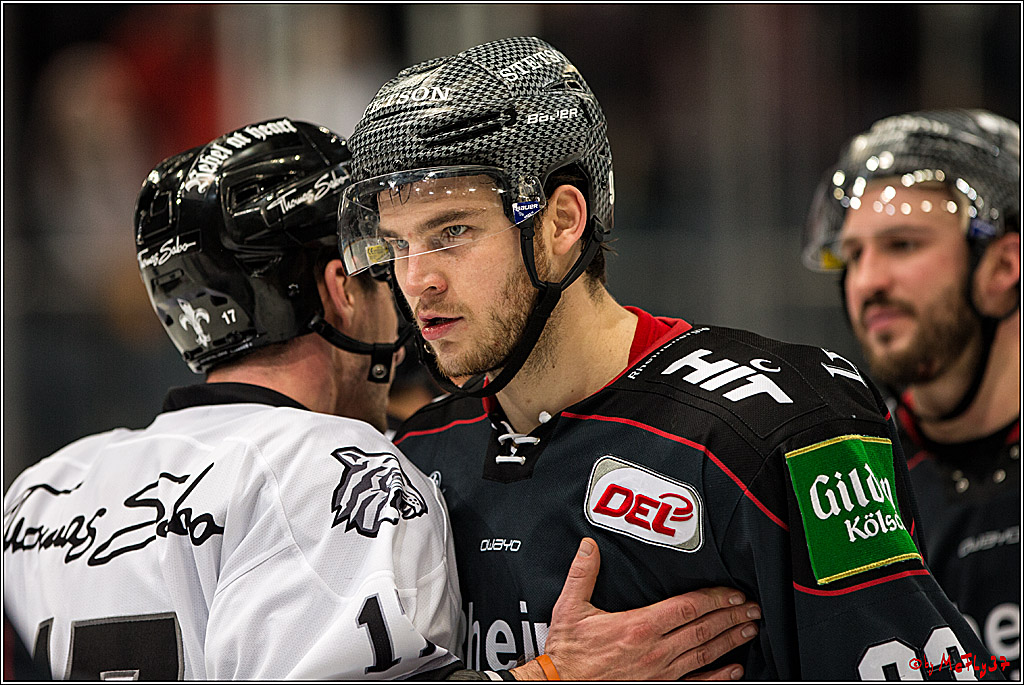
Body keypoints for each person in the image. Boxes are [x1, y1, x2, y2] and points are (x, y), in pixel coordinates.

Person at [338, 36, 1004, 679]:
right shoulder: (413, 460)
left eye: (452, 231)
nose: (417, 279)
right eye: (397, 245)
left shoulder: (780, 427)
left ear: (563, 221)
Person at [3, 118, 759, 681]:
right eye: (382, 261)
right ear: (340, 289)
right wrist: (556, 674)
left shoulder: (39, 493)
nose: (409, 291)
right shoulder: (339, 468)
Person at [803, 109, 1020, 678]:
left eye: (901, 245)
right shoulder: (846, 482)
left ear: (1003, 266)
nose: (867, 281)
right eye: (852, 255)